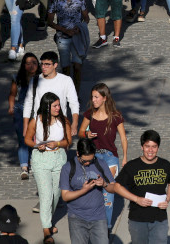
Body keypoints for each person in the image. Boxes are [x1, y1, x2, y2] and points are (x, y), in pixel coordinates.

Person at [113, 130, 170, 244]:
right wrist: (137, 199)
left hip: (160, 218)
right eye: (147, 146)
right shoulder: (132, 166)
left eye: (154, 147)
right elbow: (117, 187)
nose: (150, 150)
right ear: (142, 147)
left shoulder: (165, 165)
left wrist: (167, 199)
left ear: (158, 147)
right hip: (137, 219)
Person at [78, 83, 128, 230]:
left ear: (104, 98)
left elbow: (123, 138)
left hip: (110, 156)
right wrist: (86, 134)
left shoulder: (115, 116)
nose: (93, 100)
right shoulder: (90, 114)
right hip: (93, 157)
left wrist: (124, 158)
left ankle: (106, 227)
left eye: (96, 97)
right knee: (92, 190)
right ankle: (92, 222)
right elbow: (80, 132)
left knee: (108, 192)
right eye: (92, 97)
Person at [24, 92, 72, 244]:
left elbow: (68, 141)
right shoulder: (36, 121)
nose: (58, 108)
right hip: (41, 159)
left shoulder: (64, 120)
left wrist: (57, 144)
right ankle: (46, 229)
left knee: (56, 194)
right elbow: (27, 139)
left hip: (59, 158)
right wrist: (38, 145)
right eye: (55, 106)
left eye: (59, 105)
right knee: (46, 195)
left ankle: (48, 221)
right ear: (47, 107)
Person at [60, 138, 116, 244]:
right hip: (76, 218)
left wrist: (104, 184)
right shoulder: (67, 168)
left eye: (90, 160)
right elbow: (65, 196)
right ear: (77, 154)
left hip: (99, 217)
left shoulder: (101, 163)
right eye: (84, 161)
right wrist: (83, 190)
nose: (87, 163)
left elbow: (113, 188)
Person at [22, 50, 80, 138]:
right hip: (39, 126)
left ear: (55, 65)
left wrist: (74, 124)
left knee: (59, 151)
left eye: (47, 64)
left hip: (60, 125)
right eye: (42, 64)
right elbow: (28, 103)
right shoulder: (35, 80)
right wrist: (26, 126)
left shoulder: (66, 80)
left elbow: (74, 103)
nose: (43, 67)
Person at [48, 0, 90, 90]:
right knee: (65, 68)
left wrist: (80, 27)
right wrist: (65, 30)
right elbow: (50, 21)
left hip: (77, 36)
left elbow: (86, 17)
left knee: (77, 66)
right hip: (62, 38)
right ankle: (66, 93)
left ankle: (76, 94)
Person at [8, 53, 40, 180]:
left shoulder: (42, 79)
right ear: (23, 65)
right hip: (20, 111)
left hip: (37, 112)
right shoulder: (18, 78)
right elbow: (12, 94)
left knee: (35, 138)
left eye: (34, 63)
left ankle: (34, 162)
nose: (31, 66)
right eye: (28, 63)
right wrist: (11, 106)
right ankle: (24, 167)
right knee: (22, 139)